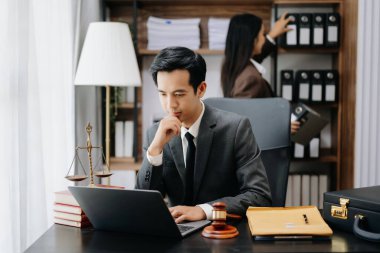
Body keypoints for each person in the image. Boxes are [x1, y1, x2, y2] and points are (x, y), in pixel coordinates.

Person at [136, 47, 271, 223]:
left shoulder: (236, 129)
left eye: (179, 94)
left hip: (223, 233)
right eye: (163, 94)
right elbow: (143, 203)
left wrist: (204, 211)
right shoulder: (155, 134)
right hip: (177, 234)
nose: (170, 105)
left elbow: (260, 196)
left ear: (201, 89)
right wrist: (155, 151)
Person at [221, 13, 300, 134]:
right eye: (262, 34)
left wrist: (273, 35)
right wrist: (282, 128)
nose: (264, 37)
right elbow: (244, 126)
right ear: (253, 40)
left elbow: (256, 57)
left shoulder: (233, 66)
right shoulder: (249, 78)